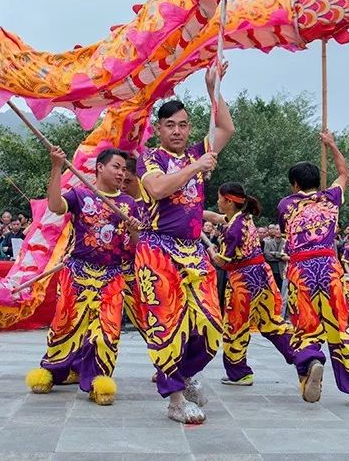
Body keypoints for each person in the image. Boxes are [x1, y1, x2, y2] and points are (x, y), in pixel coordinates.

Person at [134, 62, 234, 424]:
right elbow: (158, 188)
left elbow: (226, 127)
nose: (177, 131)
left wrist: (213, 89)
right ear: (158, 129)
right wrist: (197, 167)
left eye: (183, 125)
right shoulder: (150, 157)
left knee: (210, 324)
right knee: (167, 323)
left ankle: (187, 374)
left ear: (190, 127)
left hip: (193, 251)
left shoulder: (197, 152)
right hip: (157, 249)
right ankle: (175, 399)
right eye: (169, 125)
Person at [25, 146, 142, 406]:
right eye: (117, 167)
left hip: (112, 276)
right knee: (64, 326)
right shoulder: (81, 194)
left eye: (125, 169)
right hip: (77, 273)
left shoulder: (128, 204)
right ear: (100, 167)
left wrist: (134, 229)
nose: (122, 173)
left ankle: (98, 380)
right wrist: (57, 167)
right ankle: (53, 370)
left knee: (107, 331)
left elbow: (136, 244)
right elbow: (55, 206)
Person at [277, 130, 349, 408]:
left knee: (304, 327)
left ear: (294, 184)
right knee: (343, 327)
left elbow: (286, 234)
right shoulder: (331, 198)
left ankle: (311, 362)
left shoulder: (285, 205)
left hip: (301, 269)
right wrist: (331, 145)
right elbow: (344, 173)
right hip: (329, 267)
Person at [203, 182, 298, 386]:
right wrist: (192, 212)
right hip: (262, 276)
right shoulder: (243, 218)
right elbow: (214, 217)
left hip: (244, 281)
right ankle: (303, 358)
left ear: (228, 201)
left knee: (235, 326)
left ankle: (239, 373)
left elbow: (221, 261)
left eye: (220, 198)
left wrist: (209, 249)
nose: (218, 202)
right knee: (271, 322)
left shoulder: (233, 229)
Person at [262, 224, 287, 292]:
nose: (278, 231)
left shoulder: (286, 242)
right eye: (276, 229)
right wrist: (281, 257)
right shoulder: (268, 243)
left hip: (283, 270)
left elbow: (287, 255)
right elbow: (267, 256)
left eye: (279, 229)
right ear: (274, 231)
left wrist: (275, 254)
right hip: (273, 270)